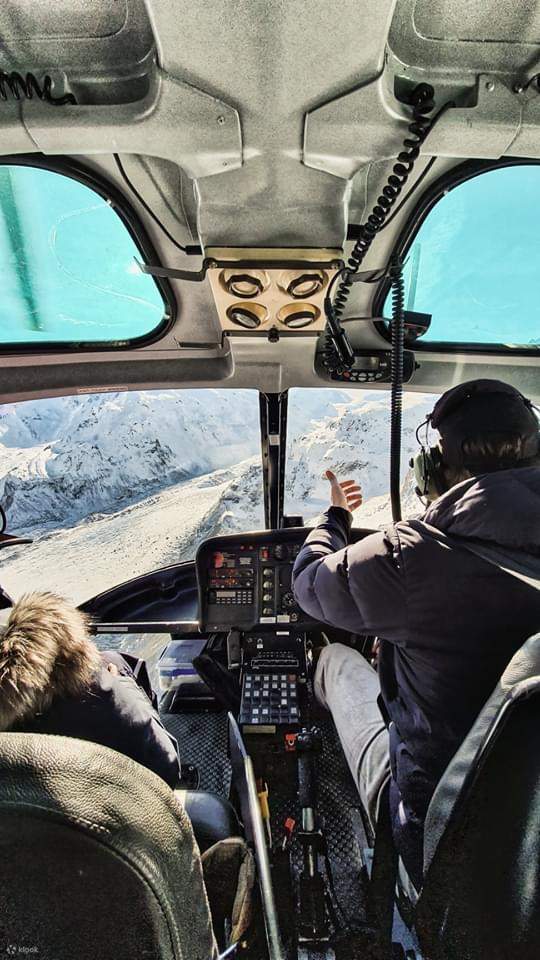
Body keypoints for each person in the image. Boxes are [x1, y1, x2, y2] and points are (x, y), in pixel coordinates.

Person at [292, 378, 540, 891]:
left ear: (432, 471)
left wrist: (336, 516)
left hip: (440, 845)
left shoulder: (410, 557)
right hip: (530, 864)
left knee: (337, 659)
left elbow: (308, 583)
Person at [0, 591, 181, 787]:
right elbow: (169, 768)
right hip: (140, 807)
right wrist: (121, 684)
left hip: (48, 812)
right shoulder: (95, 693)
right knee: (117, 662)